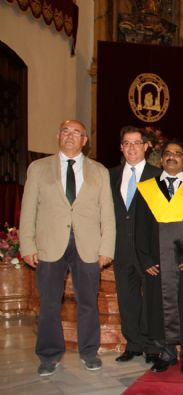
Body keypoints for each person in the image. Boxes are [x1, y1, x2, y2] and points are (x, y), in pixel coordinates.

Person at [20, 119, 115, 376]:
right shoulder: (38, 168)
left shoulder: (99, 171)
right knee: (49, 302)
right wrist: (27, 244)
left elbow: (107, 213)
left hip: (88, 245)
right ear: (58, 136)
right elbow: (28, 209)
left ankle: (88, 352)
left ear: (85, 140)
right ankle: (49, 356)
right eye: (65, 131)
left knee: (88, 302)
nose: (70, 136)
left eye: (77, 132)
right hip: (50, 244)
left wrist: (106, 246)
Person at [135, 140, 183, 375]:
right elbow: (139, 228)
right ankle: (166, 353)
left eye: (178, 154)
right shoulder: (147, 189)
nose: (172, 157)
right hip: (158, 262)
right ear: (161, 159)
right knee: (158, 306)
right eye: (168, 154)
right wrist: (145, 260)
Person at [109, 126, 161, 364]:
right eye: (126, 143)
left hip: (149, 251)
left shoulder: (158, 176)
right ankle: (133, 343)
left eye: (136, 143)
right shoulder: (110, 176)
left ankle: (152, 344)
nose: (131, 147)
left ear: (146, 146)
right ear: (121, 147)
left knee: (151, 298)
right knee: (127, 298)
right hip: (120, 249)